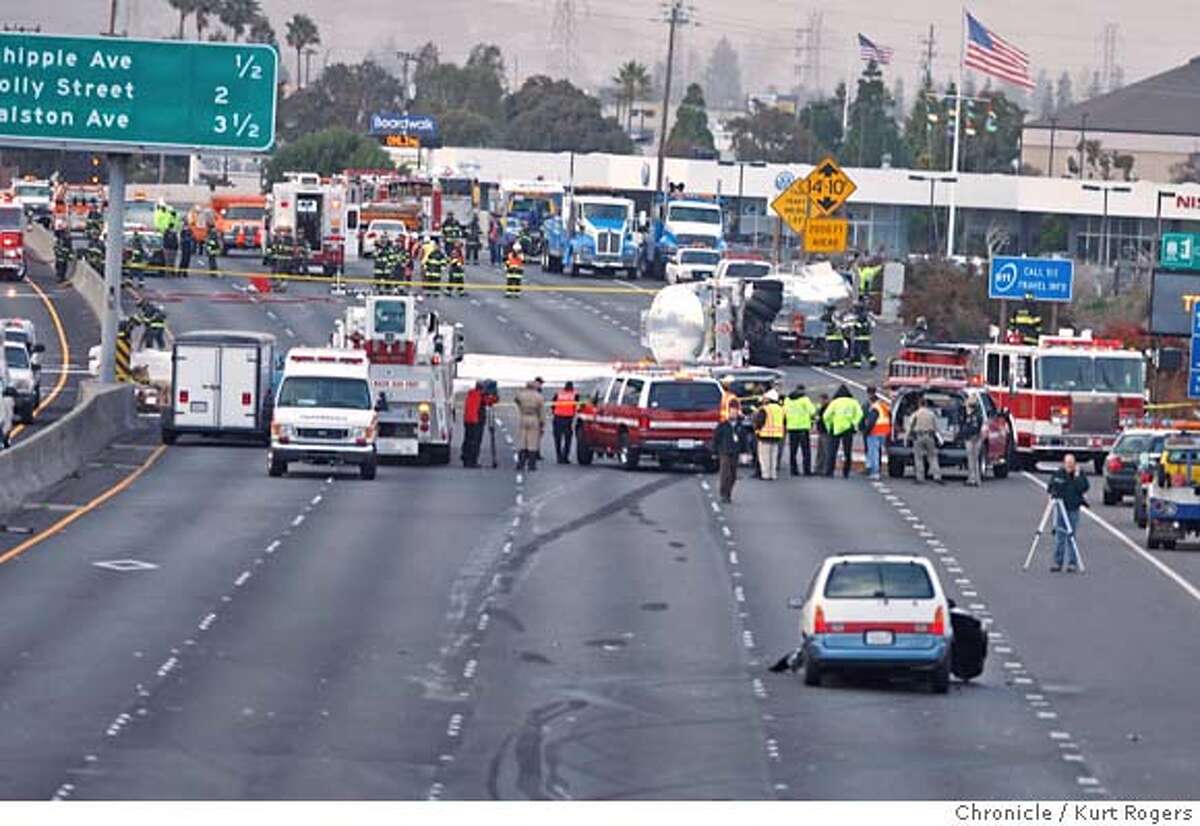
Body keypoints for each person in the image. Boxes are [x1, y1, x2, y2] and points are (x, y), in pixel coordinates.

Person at [1048, 453, 1088, 572]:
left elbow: (1083, 488)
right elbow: (1051, 487)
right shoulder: (1058, 474)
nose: (1070, 466)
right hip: (1061, 508)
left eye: (1072, 464)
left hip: (1073, 508)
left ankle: (1072, 563)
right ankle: (1058, 562)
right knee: (1060, 536)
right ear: (1064, 463)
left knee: (1071, 536)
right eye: (1068, 463)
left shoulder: (1079, 475)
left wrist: (1076, 476)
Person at [822, 385, 863, 478]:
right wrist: (853, 423)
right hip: (848, 429)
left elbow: (826, 416)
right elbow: (860, 414)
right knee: (847, 452)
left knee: (832, 451)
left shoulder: (835, 402)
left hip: (836, 429)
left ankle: (830, 471)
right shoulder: (853, 402)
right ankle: (846, 472)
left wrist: (829, 427)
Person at [907, 396, 943, 484]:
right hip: (930, 437)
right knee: (933, 457)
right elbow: (936, 427)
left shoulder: (916, 414)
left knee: (918, 458)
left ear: (919, 404)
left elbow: (910, 426)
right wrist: (940, 438)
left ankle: (920, 478)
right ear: (926, 404)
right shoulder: (931, 414)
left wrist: (907, 437)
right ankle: (937, 476)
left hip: (918, 437)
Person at [750, 388, 784, 481]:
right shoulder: (780, 409)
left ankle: (766, 475)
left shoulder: (764, 409)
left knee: (764, 457)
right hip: (777, 436)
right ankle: (773, 474)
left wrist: (757, 431)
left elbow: (759, 421)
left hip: (764, 436)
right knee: (773, 457)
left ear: (769, 399)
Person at [711, 401, 742, 503]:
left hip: (735, 452)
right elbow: (716, 438)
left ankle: (729, 492)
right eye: (731, 412)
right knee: (725, 473)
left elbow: (744, 440)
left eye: (735, 412)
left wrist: (746, 452)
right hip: (724, 452)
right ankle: (724, 494)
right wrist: (714, 451)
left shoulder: (740, 426)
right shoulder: (723, 425)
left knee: (733, 475)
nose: (733, 414)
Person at [784, 385, 816, 477]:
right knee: (805, 451)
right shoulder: (804, 400)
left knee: (793, 451)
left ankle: (793, 470)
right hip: (803, 427)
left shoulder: (787, 400)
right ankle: (807, 470)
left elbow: (785, 412)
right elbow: (812, 411)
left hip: (792, 427)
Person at [514, 379, 545, 471]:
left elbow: (516, 400)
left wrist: (520, 407)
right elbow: (541, 411)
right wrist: (542, 423)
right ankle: (532, 465)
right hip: (534, 418)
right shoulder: (538, 397)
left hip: (523, 417)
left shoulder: (521, 395)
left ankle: (521, 463)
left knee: (522, 441)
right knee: (532, 442)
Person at [861, 386, 891, 481]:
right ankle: (876, 469)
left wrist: (866, 431)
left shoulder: (874, 408)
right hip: (884, 432)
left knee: (873, 452)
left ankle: (875, 472)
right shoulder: (884, 405)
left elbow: (871, 422)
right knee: (877, 452)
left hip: (875, 432)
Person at [551, 381, 578, 464]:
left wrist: (555, 412)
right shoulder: (575, 395)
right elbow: (577, 406)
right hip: (568, 419)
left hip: (557, 418)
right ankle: (565, 457)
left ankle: (559, 456)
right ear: (572, 388)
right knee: (568, 439)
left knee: (557, 439)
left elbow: (553, 405)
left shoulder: (558, 394)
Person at [462, 381, 487, 468]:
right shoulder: (479, 396)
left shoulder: (471, 394)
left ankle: (466, 458)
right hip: (476, 421)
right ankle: (472, 461)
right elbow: (490, 401)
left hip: (468, 420)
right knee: (475, 441)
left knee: (468, 439)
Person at [961, 394, 984, 487]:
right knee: (975, 460)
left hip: (972, 439)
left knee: (971, 460)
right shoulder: (978, 415)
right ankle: (976, 479)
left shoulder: (973, 417)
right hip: (976, 438)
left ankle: (972, 479)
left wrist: (962, 433)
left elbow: (972, 428)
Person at [814, 392, 831, 477]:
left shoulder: (828, 408)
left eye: (821, 400)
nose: (820, 401)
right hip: (821, 431)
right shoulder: (821, 407)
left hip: (826, 431)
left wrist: (818, 419)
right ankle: (818, 468)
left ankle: (824, 468)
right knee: (820, 451)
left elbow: (825, 419)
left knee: (825, 451)